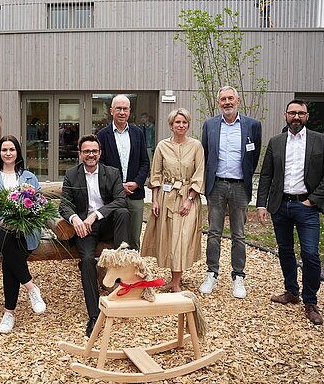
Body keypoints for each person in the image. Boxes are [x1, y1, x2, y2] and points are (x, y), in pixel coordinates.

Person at [257, 99, 324, 325]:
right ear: (285, 115)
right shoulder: (276, 142)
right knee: (285, 250)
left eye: (301, 113)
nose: (296, 117)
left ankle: (310, 301)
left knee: (310, 253)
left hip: (306, 207)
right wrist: (261, 204)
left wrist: (313, 200)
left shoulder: (321, 141)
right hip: (280, 206)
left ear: (307, 116)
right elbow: (266, 176)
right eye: (292, 113)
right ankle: (291, 291)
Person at [59, 134, 130, 337]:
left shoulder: (113, 172)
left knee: (123, 213)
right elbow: (64, 204)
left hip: (104, 223)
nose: (90, 155)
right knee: (88, 260)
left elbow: (120, 201)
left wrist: (95, 215)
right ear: (80, 154)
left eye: (94, 151)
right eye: (86, 151)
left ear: (99, 153)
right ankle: (93, 315)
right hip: (84, 228)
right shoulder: (72, 174)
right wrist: (75, 219)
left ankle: (120, 265)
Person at [199, 86, 262, 299]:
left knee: (239, 234)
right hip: (216, 185)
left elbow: (253, 157)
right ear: (219, 103)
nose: (227, 102)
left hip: (239, 186)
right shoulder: (210, 125)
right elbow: (206, 154)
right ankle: (211, 273)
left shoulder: (252, 125)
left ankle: (238, 276)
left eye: (230, 98)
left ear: (238, 100)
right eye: (223, 99)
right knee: (214, 232)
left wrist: (244, 177)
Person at [0, 135, 46, 334]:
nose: (8, 153)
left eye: (12, 149)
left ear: (17, 152)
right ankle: (31, 288)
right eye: (4, 150)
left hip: (25, 230)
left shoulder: (29, 177)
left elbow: (38, 202)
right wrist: (2, 222)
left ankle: (9, 313)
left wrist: (23, 219)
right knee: (9, 242)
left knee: (11, 256)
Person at [141, 109, 205, 293]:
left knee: (182, 238)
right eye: (177, 122)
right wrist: (154, 201)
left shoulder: (196, 146)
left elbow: (199, 173)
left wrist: (190, 199)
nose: (181, 125)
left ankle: (176, 282)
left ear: (188, 124)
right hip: (166, 196)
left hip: (187, 197)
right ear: (171, 125)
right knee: (169, 236)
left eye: (184, 122)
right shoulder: (162, 146)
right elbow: (156, 175)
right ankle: (173, 278)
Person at [97, 95, 149, 251]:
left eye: (125, 109)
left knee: (133, 239)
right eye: (118, 108)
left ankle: (133, 272)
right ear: (111, 111)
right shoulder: (102, 135)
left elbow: (145, 162)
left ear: (129, 111)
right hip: (112, 195)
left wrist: (137, 183)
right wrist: (118, 186)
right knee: (114, 237)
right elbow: (100, 166)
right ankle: (115, 270)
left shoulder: (138, 133)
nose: (121, 112)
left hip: (135, 194)